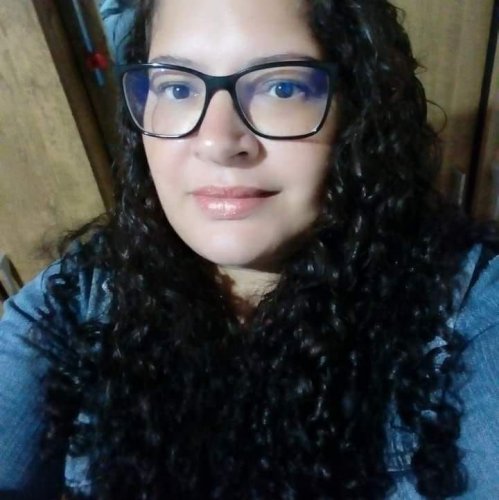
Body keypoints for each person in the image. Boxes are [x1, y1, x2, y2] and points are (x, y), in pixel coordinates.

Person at [1, 0, 498, 498]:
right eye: (177, 88)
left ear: (359, 109)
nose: (217, 142)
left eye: (282, 87)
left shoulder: (467, 309)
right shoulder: (81, 297)